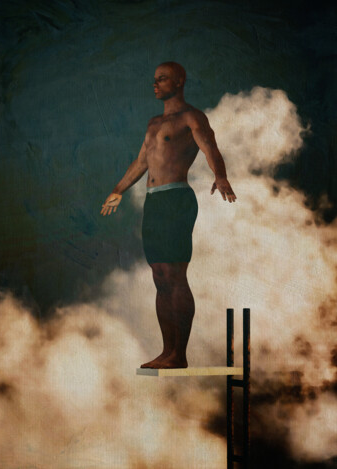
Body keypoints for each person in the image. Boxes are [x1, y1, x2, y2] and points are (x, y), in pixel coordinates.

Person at [101, 62, 236, 369]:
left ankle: (180, 354)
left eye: (162, 79)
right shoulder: (153, 123)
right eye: (154, 80)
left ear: (179, 81)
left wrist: (221, 175)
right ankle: (167, 352)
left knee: (174, 275)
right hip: (154, 202)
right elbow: (141, 162)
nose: (156, 84)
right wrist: (118, 190)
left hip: (176, 198)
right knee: (159, 276)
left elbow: (209, 146)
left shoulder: (191, 116)